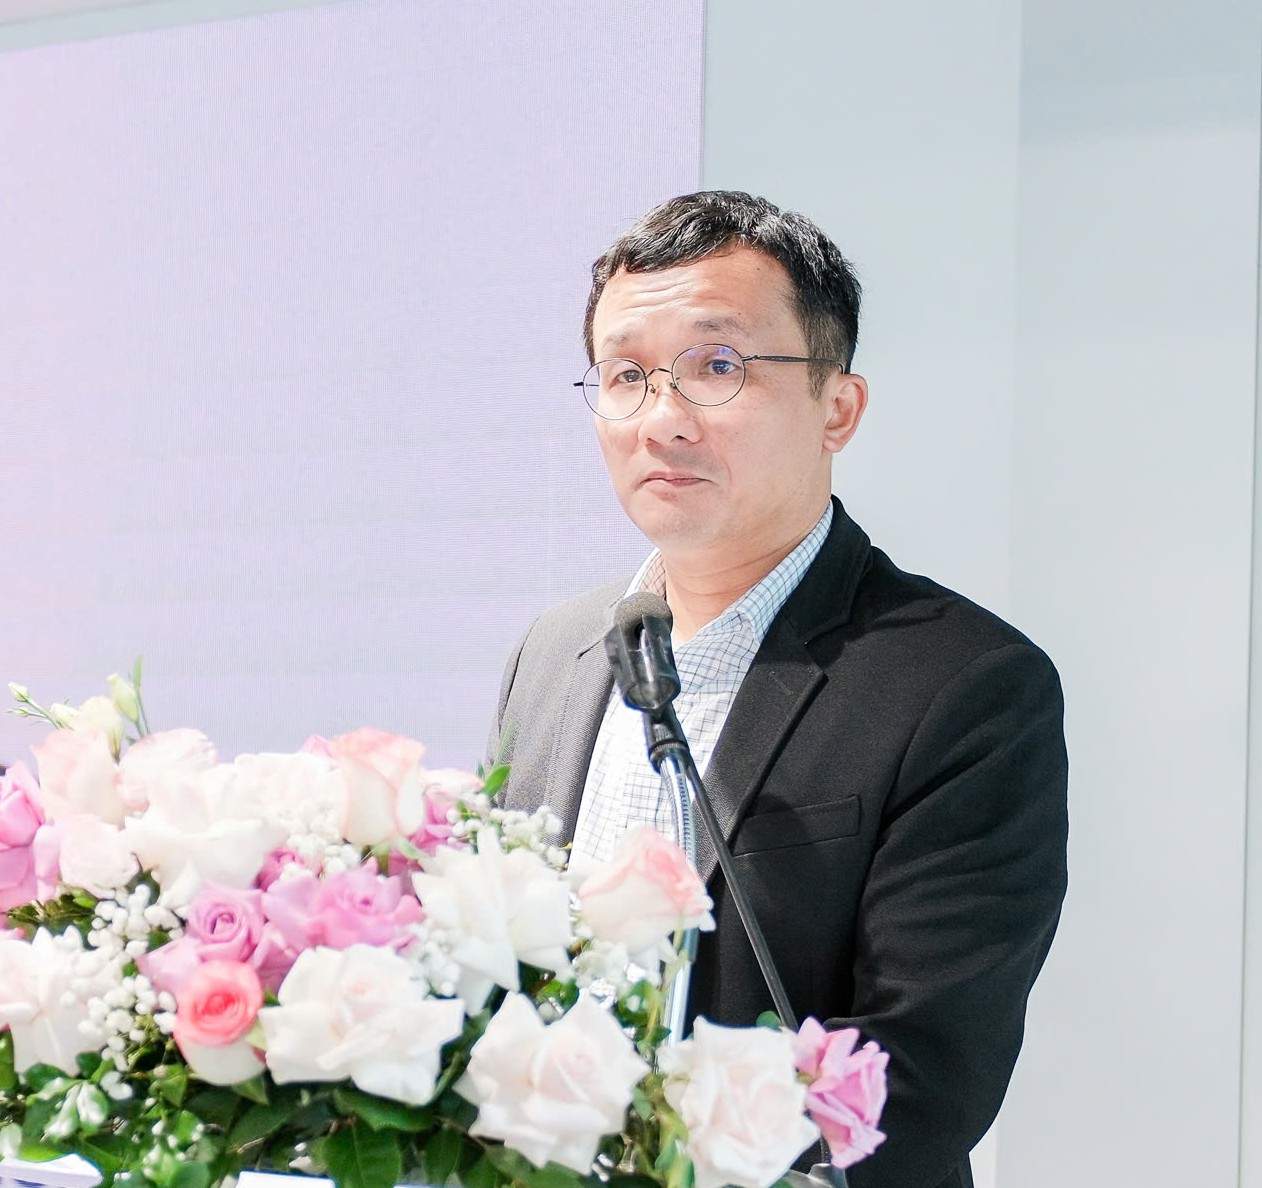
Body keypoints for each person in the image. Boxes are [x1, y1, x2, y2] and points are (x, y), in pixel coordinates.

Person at [486, 191, 1068, 1188]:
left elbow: (922, 1074)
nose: (661, 419)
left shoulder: (964, 685)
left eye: (717, 367)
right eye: (625, 376)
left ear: (837, 407)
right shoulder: (557, 651)